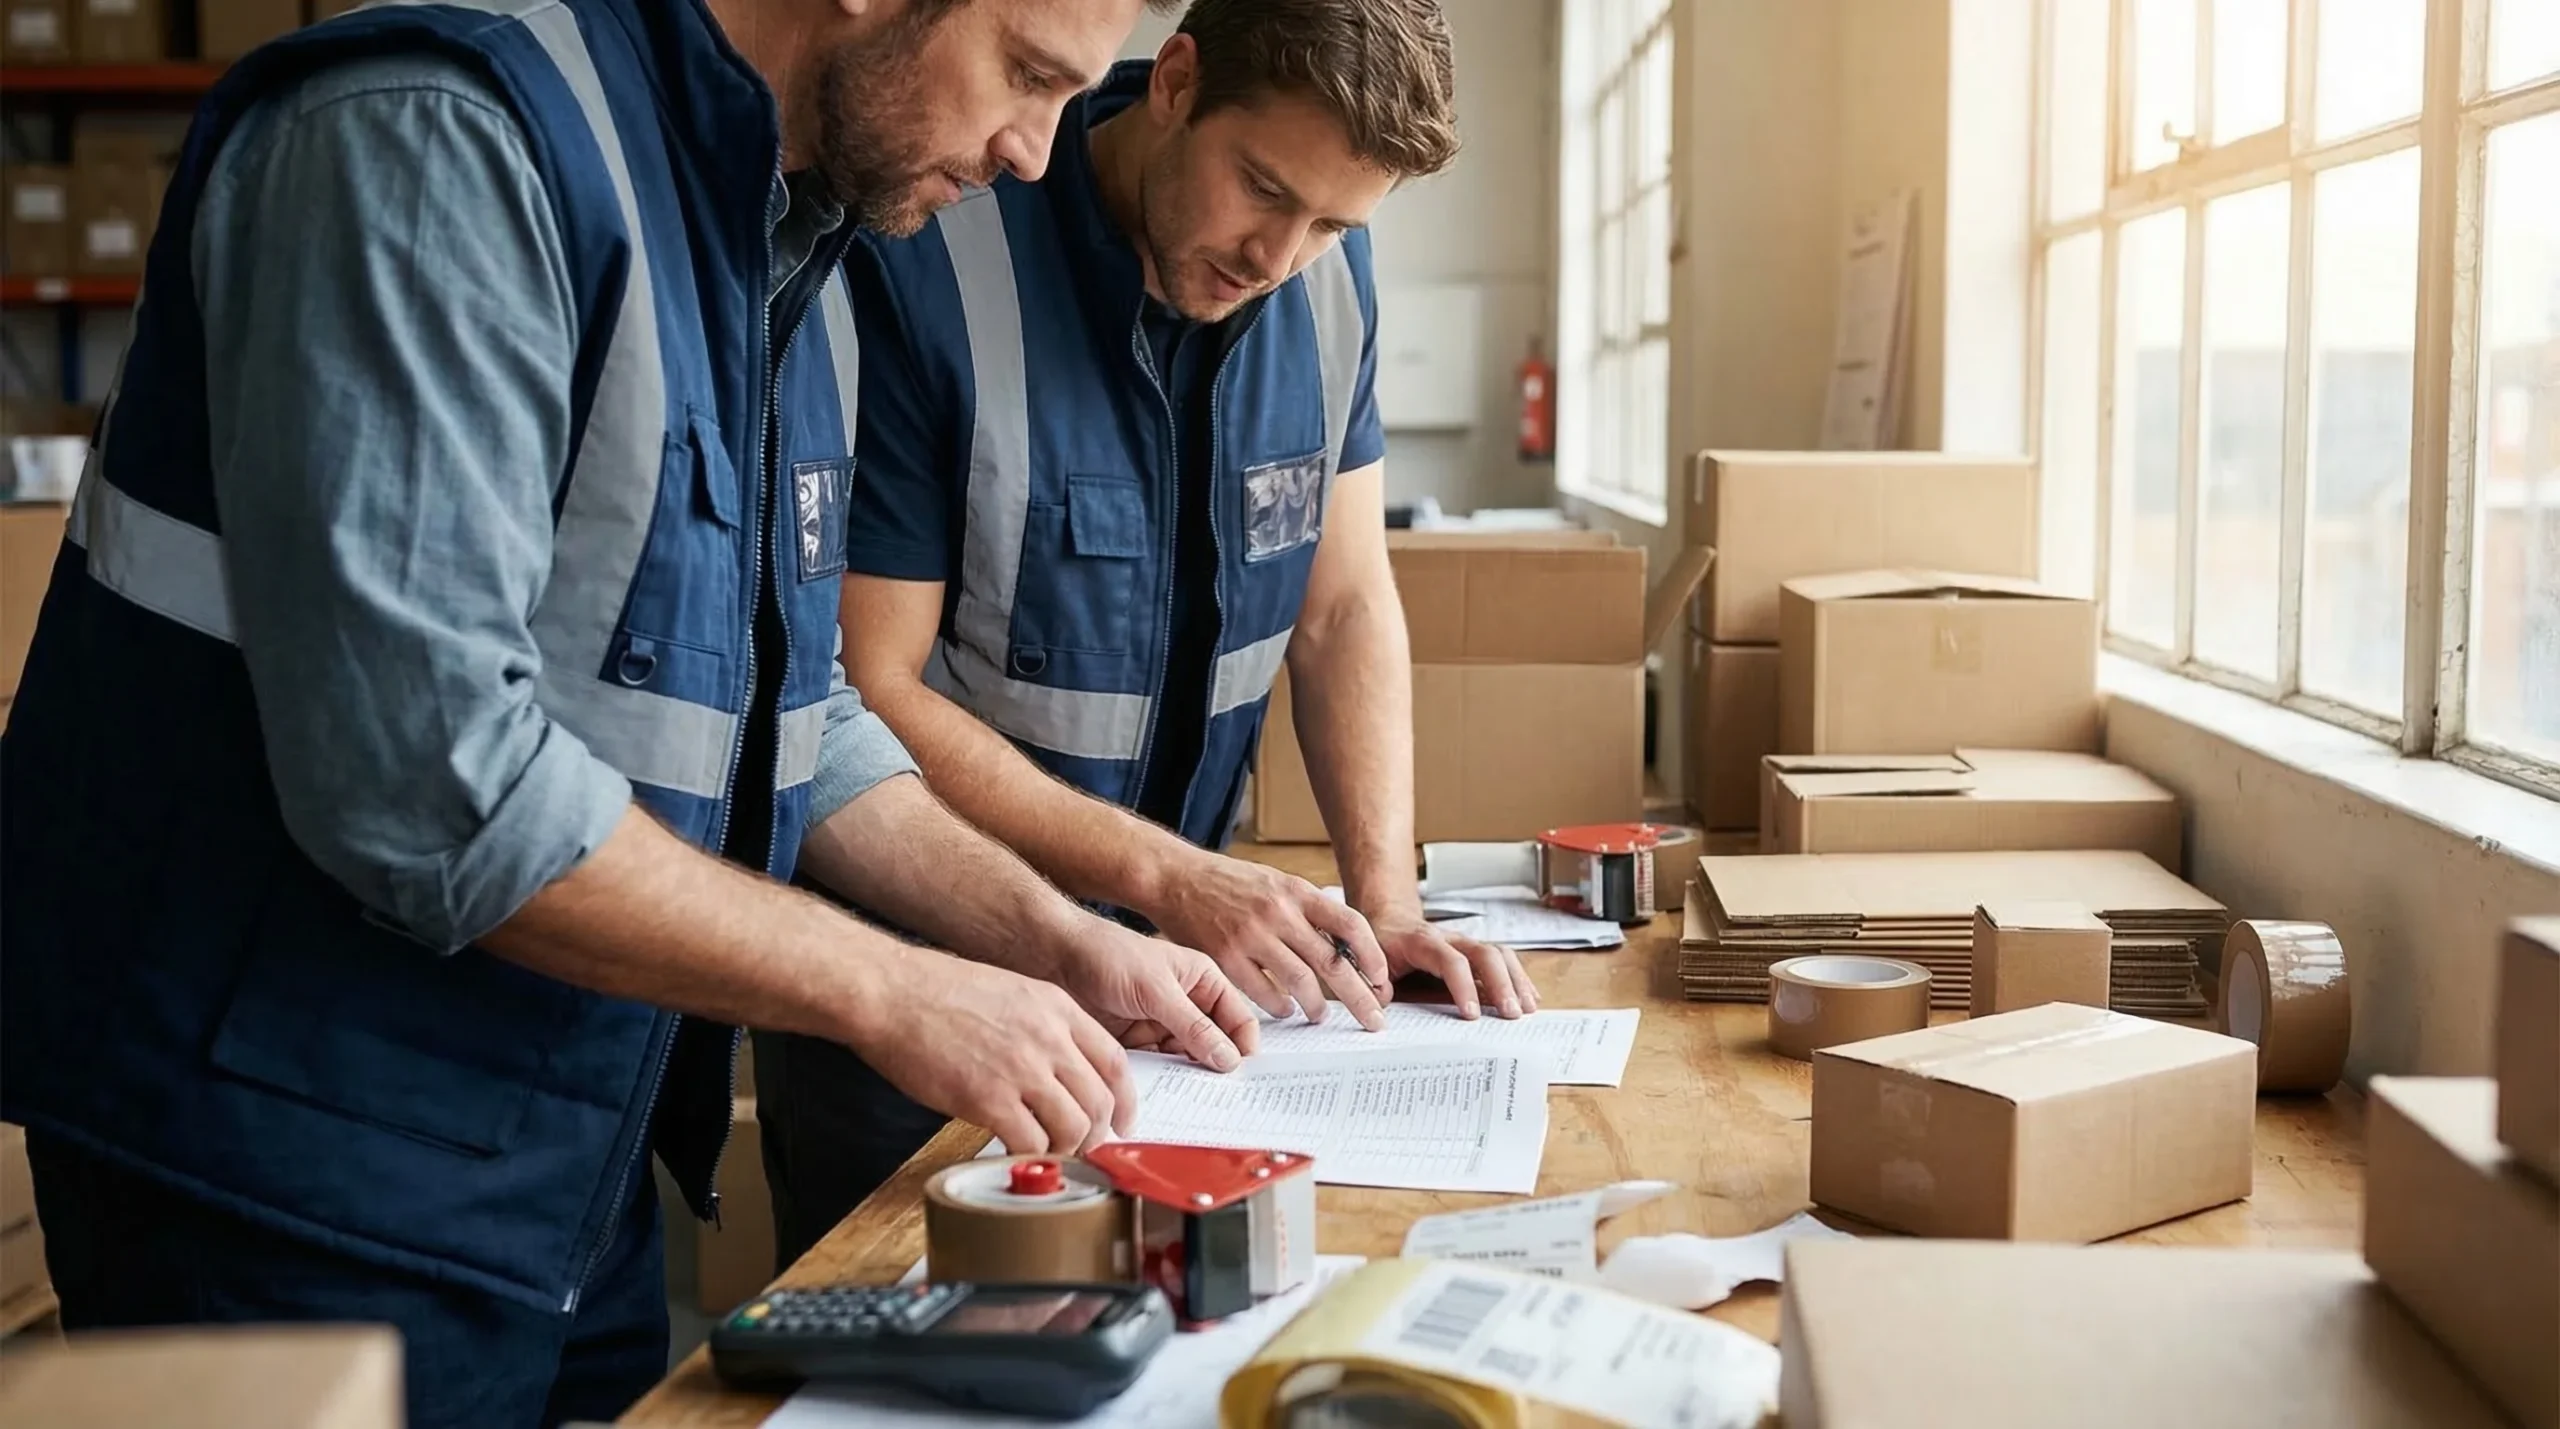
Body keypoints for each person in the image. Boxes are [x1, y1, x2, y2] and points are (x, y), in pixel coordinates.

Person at [0, 0, 1258, 1424]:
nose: (1035, 152)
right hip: (287, 1177)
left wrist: (1066, 943)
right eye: (1027, 76)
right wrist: (891, 989)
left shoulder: (792, 233)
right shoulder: (441, 140)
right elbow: (432, 785)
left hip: (561, 1169)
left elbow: (802, 713)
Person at [754, 0, 1541, 1264]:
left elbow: (1342, 609)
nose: (1278, 255)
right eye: (1262, 189)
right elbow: (861, 689)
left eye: (1332, 223)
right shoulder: (932, 252)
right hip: (929, 994)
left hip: (1190, 1012)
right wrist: (1169, 879)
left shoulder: (1327, 281)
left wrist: (1385, 898)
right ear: (1174, 81)